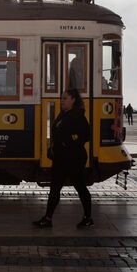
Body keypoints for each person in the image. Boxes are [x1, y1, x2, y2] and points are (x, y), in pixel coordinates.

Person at [33, 88, 93, 229]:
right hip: (60, 159)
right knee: (55, 189)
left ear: (73, 100)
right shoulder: (63, 115)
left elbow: (86, 135)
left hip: (73, 159)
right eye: (61, 98)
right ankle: (48, 218)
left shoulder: (78, 116)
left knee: (80, 187)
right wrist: (54, 147)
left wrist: (68, 142)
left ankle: (88, 218)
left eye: (65, 98)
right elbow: (57, 132)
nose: (62, 101)